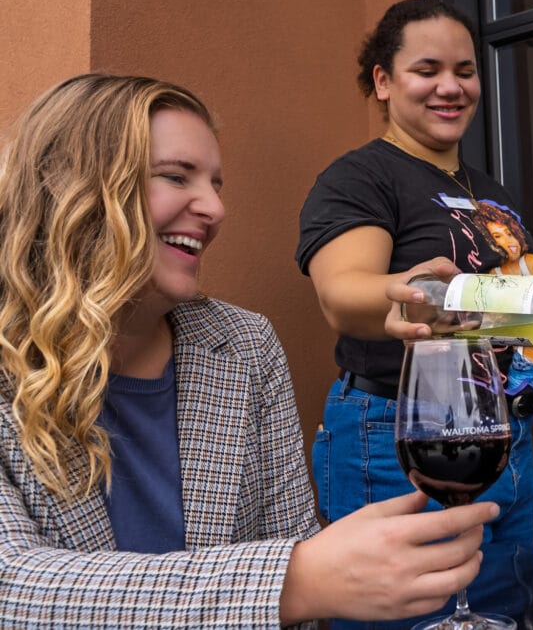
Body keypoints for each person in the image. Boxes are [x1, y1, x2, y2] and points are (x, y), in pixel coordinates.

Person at [0, 73, 499, 627]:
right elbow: (12, 588)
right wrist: (296, 581)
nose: (214, 208)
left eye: (216, 183)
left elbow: (296, 556)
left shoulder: (244, 346)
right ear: (72, 188)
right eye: (175, 176)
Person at [296, 0, 533, 548]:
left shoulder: (490, 192)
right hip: (402, 435)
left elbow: (504, 312)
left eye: (465, 71)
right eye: (427, 70)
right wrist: (413, 294)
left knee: (503, 603)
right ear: (384, 81)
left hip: (503, 435)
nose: (451, 87)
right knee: (414, 611)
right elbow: (341, 294)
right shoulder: (360, 177)